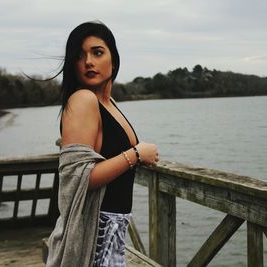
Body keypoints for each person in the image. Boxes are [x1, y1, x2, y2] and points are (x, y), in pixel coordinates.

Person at [45, 20, 159, 267]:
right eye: (79, 56)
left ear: (113, 59)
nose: (88, 62)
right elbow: (78, 178)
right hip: (94, 234)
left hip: (113, 230)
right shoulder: (83, 100)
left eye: (97, 52)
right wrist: (136, 154)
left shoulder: (109, 103)